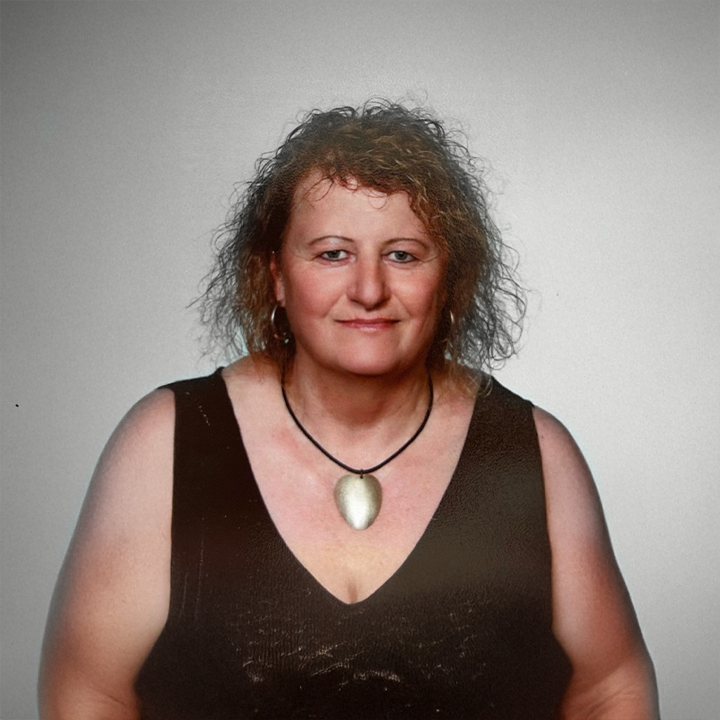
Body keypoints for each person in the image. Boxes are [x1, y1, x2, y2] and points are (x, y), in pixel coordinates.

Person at [39, 101, 659, 720]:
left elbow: (610, 690)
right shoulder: (165, 441)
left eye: (403, 255)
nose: (368, 290)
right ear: (276, 274)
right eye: (333, 253)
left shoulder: (534, 452)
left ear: (449, 278)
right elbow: (89, 694)